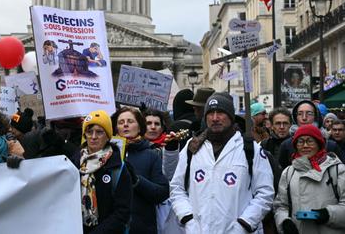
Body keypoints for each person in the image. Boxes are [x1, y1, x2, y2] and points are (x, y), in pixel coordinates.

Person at [170, 93, 274, 233]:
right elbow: (177, 188)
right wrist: (188, 219)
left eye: (220, 113)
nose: (215, 118)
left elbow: (265, 192)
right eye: (210, 113)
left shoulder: (250, 149)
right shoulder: (191, 148)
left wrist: (244, 224)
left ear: (231, 117)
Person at [273, 124, 345, 234]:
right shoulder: (288, 172)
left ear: (319, 144)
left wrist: (328, 214)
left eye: (310, 141)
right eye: (300, 141)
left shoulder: (337, 170)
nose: (305, 145)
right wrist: (284, 221)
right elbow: (281, 206)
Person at [72, 110, 132, 233]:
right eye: (89, 132)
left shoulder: (118, 168)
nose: (93, 137)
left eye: (99, 132)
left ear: (108, 136)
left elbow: (122, 212)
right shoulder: (73, 164)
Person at [112, 106, 169, 234]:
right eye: (121, 122)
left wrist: (137, 181)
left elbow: (162, 193)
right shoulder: (107, 154)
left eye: (130, 121)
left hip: (141, 228)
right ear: (116, 128)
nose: (125, 125)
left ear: (139, 127)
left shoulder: (152, 154)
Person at [277, 100, 344, 169]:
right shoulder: (286, 145)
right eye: (300, 114)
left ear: (316, 116)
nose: (304, 118)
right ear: (295, 117)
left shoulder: (330, 145)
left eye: (309, 113)